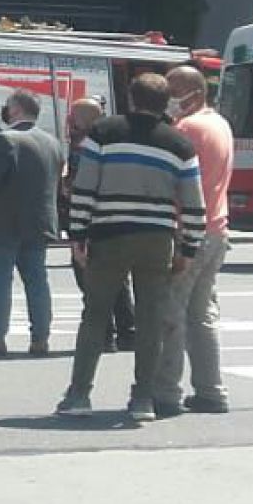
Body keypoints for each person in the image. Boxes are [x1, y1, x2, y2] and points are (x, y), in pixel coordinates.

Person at [54, 73, 206, 422]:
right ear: (164, 102)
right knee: (150, 320)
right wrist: (188, 249)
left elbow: (84, 190)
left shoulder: (103, 133)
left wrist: (78, 236)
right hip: (156, 239)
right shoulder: (179, 145)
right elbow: (194, 205)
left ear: (131, 98)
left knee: (95, 315)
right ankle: (142, 400)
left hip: (109, 235)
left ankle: (79, 395)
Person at [154, 65, 235, 415]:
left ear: (195, 94)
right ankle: (211, 390)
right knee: (202, 314)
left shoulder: (186, 129)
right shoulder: (220, 124)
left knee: (170, 314)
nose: (168, 100)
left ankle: (167, 392)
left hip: (186, 230)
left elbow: (172, 182)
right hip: (216, 228)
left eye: (173, 93)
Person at [0, 90, 64, 357]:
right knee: (37, 281)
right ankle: (40, 338)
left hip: (3, 222)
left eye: (9, 107)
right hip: (40, 220)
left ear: (17, 110)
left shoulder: (4, 139)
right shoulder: (52, 141)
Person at [65, 95, 135, 352]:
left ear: (82, 122)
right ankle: (128, 332)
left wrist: (77, 234)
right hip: (117, 221)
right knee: (119, 282)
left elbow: (79, 188)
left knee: (92, 283)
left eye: (73, 118)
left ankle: (104, 335)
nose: (69, 122)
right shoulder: (117, 144)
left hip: (91, 222)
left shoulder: (84, 148)